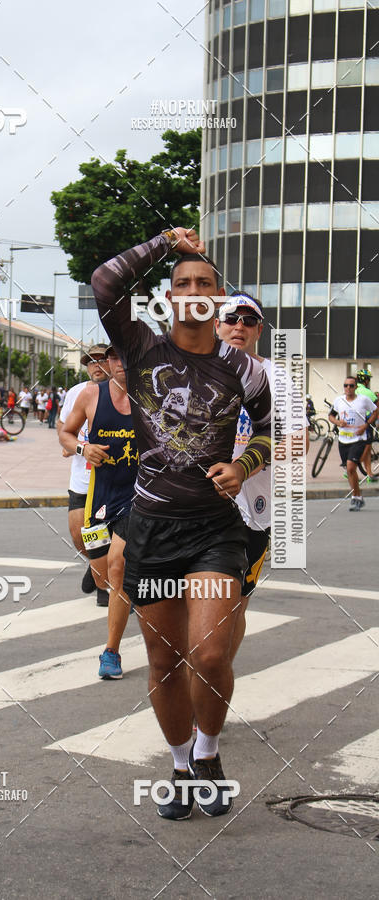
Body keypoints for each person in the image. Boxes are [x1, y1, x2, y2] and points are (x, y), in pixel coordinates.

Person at [91, 227, 272, 819]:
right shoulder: (141, 346)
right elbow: (106, 281)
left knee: (212, 654)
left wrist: (243, 465)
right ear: (169, 298)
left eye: (206, 285)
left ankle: (210, 749)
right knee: (165, 661)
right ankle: (177, 764)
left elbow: (270, 433)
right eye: (183, 284)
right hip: (151, 528)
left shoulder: (245, 371)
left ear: (220, 301)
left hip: (215, 530)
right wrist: (165, 242)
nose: (195, 292)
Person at [215, 292, 308, 662]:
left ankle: (215, 678)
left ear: (259, 330)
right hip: (200, 504)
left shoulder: (277, 377)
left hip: (253, 507)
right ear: (217, 325)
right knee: (197, 600)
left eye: (248, 321)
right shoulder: (194, 371)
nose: (239, 326)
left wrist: (246, 465)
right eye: (232, 319)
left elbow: (298, 440)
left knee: (235, 603)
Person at [60, 347, 138, 679]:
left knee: (118, 568)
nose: (120, 363)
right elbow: (64, 434)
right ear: (108, 362)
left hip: (138, 499)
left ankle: (111, 652)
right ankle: (135, 594)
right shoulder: (90, 395)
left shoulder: (153, 397)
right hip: (99, 498)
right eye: (114, 357)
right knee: (103, 576)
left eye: (126, 356)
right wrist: (82, 447)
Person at [58, 345, 111, 602]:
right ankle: (96, 568)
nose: (96, 365)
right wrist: (74, 445)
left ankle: (107, 586)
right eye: (90, 361)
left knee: (110, 535)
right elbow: (63, 426)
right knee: (79, 535)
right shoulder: (76, 392)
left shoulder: (122, 392)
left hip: (114, 479)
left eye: (102, 360)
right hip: (82, 477)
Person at [328, 376, 378, 510]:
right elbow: (331, 416)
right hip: (343, 440)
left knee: (351, 467)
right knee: (350, 471)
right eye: (345, 385)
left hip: (358, 439)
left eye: (351, 386)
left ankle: (356, 496)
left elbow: (375, 411)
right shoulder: (339, 400)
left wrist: (365, 425)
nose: (348, 388)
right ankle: (357, 496)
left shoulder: (363, 400)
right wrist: (338, 422)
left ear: (356, 387)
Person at [355, 369, 378, 482]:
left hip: (353, 423)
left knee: (366, 449)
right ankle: (353, 465)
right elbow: (376, 408)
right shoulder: (368, 392)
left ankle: (369, 474)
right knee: (367, 446)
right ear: (366, 380)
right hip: (366, 422)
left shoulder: (353, 389)